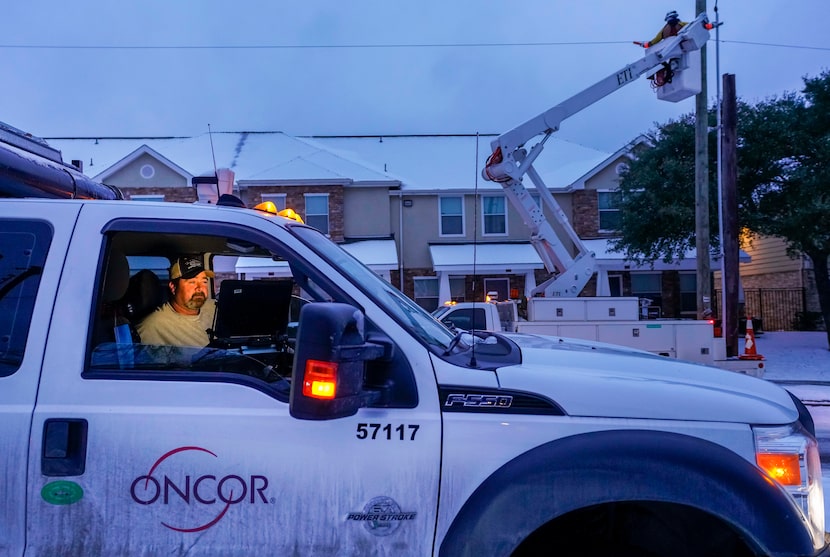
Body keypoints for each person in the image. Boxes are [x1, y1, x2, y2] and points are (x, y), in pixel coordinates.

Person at [136, 256, 217, 347]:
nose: (200, 288)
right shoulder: (153, 327)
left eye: (204, 282)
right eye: (192, 282)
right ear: (173, 287)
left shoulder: (216, 308)